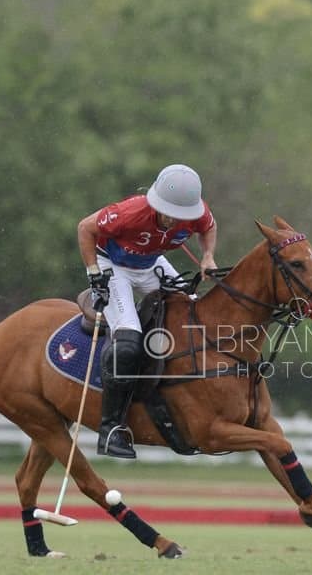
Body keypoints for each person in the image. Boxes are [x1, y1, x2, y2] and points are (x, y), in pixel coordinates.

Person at [76, 164, 218, 458]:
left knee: (194, 315)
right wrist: (93, 273)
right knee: (128, 340)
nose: (174, 220)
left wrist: (208, 256)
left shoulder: (197, 212)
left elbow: (209, 227)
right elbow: (85, 228)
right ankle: (111, 428)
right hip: (112, 265)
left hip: (150, 263)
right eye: (169, 212)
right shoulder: (129, 212)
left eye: (181, 215)